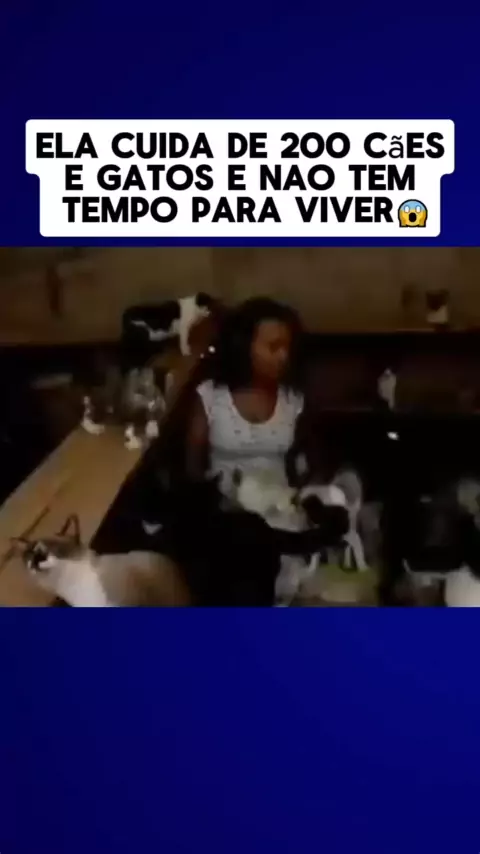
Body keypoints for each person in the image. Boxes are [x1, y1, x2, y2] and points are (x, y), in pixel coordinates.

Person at [186, 296, 313, 496]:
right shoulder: (211, 395)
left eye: (287, 348)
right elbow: (193, 466)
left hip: (278, 505)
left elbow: (303, 463)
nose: (283, 357)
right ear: (244, 347)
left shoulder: (293, 400)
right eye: (273, 347)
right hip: (222, 505)